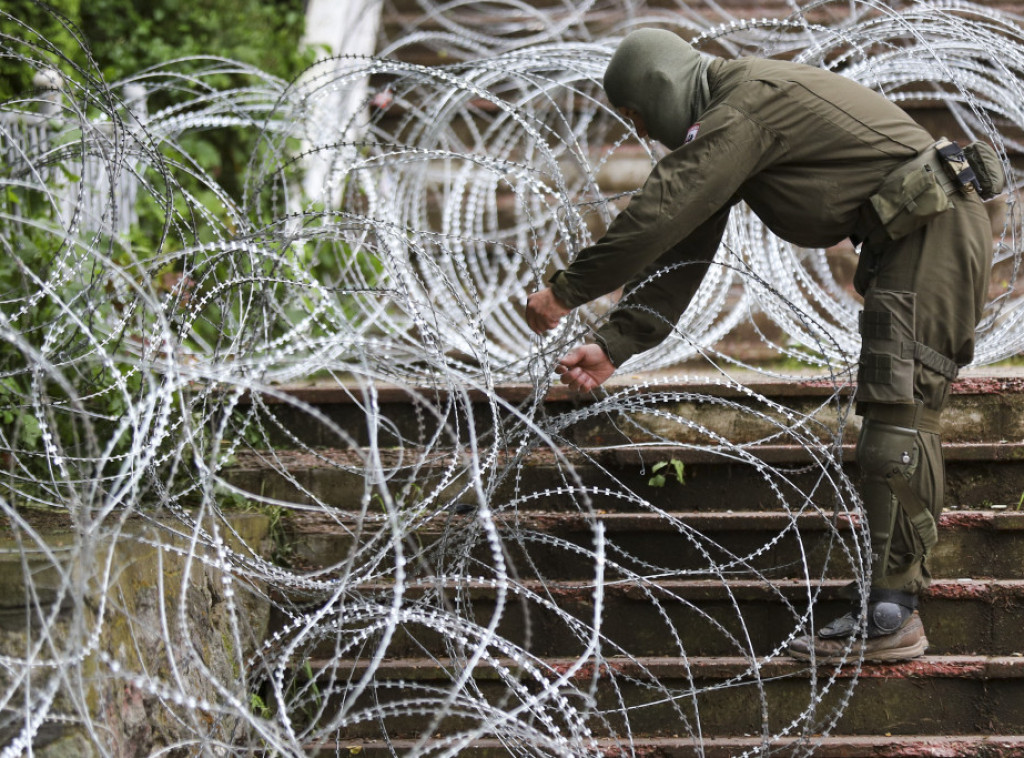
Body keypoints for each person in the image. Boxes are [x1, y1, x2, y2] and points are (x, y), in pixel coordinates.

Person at [524, 28, 1003, 663]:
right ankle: (890, 605)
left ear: (659, 89)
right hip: (917, 230)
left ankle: (893, 613)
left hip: (934, 225)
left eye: (639, 117)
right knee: (897, 404)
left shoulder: (745, 102)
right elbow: (685, 239)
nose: (643, 133)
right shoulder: (733, 112)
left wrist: (566, 290)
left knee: (901, 408)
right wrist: (617, 342)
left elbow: (663, 208)